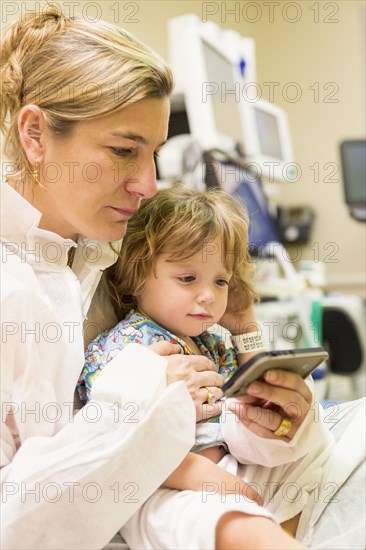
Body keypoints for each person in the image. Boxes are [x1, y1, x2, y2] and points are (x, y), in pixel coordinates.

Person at [1, 6, 364, 550]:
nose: (148, 184)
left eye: (154, 154)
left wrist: (250, 350)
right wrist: (149, 407)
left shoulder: (99, 250)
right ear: (35, 134)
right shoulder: (16, 286)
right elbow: (22, 519)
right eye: (124, 150)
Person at [79, 185, 365, 550]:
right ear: (137, 274)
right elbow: (116, 445)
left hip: (232, 463)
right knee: (213, 520)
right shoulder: (128, 347)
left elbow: (249, 401)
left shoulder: (213, 342)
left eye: (221, 280)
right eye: (187, 278)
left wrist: (245, 327)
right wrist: (207, 477)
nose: (209, 296)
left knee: (343, 445)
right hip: (165, 485)